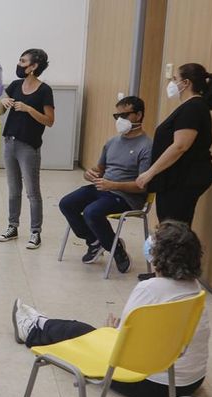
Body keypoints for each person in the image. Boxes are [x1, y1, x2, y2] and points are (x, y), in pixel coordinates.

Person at [12, 221, 210, 397]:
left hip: (149, 384)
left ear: (160, 256)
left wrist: (111, 332)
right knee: (91, 334)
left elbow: (123, 347)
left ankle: (32, 328)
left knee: (82, 332)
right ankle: (40, 323)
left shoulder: (150, 289)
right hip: (190, 382)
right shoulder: (195, 288)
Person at [58, 96, 152, 273]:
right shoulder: (112, 142)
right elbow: (98, 170)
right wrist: (89, 174)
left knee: (92, 212)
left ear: (138, 115)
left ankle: (117, 251)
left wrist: (113, 185)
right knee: (67, 203)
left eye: (125, 115)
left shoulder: (146, 146)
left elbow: (142, 186)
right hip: (103, 188)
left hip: (126, 195)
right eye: (117, 116)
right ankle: (94, 241)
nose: (120, 120)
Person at [135, 63, 212, 226]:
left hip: (184, 179)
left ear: (186, 83)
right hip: (176, 178)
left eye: (175, 79)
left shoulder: (193, 108)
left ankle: (177, 252)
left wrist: (150, 173)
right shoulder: (190, 107)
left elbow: (180, 146)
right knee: (171, 225)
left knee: (174, 227)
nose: (172, 83)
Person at [0, 48, 55, 249]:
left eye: (23, 61)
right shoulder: (14, 85)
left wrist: (29, 109)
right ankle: (12, 227)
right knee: (13, 190)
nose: (19, 65)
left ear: (33, 67)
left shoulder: (44, 90)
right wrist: (2, 102)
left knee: (32, 192)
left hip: (28, 146)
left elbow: (49, 121)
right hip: (9, 143)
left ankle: (35, 232)